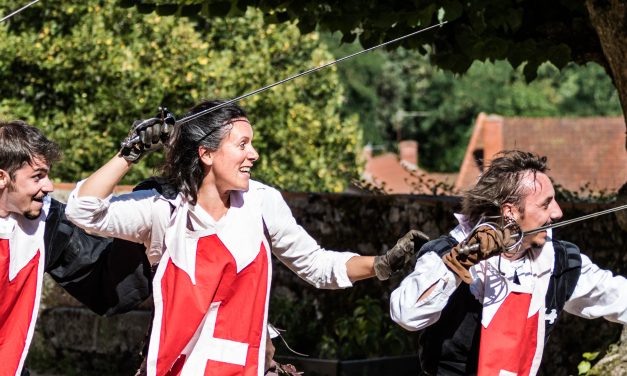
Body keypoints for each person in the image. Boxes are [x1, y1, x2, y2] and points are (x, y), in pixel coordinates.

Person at [64, 100, 426, 376]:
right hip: (178, 364)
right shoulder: (163, 209)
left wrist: (380, 265)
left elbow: (317, 265)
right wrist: (131, 152)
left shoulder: (262, 201)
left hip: (248, 365)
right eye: (242, 144)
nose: (253, 154)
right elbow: (82, 211)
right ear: (206, 153)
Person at [389, 150, 627, 376]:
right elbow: (406, 315)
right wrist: (459, 263)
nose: (557, 213)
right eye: (546, 203)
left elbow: (619, 297)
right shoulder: (446, 252)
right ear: (510, 211)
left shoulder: (558, 261)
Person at [0, 120, 152, 376]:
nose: (48, 186)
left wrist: (149, 217)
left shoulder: (46, 222)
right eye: (37, 177)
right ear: (2, 178)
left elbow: (99, 276)